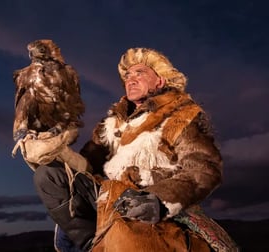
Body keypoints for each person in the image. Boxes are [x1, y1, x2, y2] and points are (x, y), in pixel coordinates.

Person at [29, 47, 236, 252]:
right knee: (48, 174)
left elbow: (204, 169)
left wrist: (159, 199)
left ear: (160, 80)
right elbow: (87, 164)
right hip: (106, 193)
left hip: (147, 191)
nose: (131, 79)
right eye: (128, 75)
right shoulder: (110, 123)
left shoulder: (182, 116)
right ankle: (90, 244)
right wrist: (54, 151)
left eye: (140, 73)